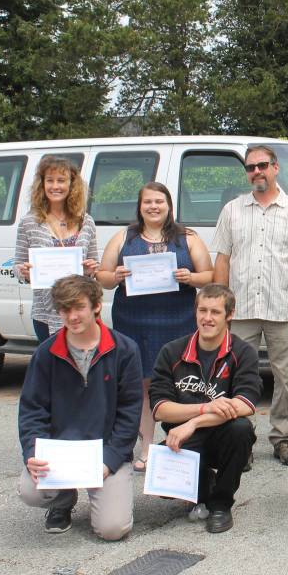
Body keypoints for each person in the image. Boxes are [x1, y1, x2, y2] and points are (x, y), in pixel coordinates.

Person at [97, 182, 214, 472]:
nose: (153, 206)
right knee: (143, 386)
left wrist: (190, 277)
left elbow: (210, 276)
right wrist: (116, 276)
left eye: (159, 201)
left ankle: (188, 446)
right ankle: (147, 448)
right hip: (134, 323)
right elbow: (102, 277)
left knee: (184, 383)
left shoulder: (187, 237)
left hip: (178, 322)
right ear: (139, 207)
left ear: (169, 206)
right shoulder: (124, 237)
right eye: (147, 202)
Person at [212, 145, 288, 467]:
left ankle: (283, 438)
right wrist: (220, 308)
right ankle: (240, 440)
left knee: (286, 378)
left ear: (275, 167)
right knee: (237, 377)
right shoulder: (232, 210)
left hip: (283, 309)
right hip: (241, 309)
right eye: (250, 167)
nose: (256, 171)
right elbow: (223, 260)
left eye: (262, 165)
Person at [16, 275, 142, 539]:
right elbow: (32, 411)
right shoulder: (46, 353)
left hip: (104, 452)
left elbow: (129, 413)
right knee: (29, 491)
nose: (72, 316)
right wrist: (32, 452)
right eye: (65, 309)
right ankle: (63, 500)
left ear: (96, 306)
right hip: (60, 453)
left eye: (79, 307)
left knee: (113, 529)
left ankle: (106, 491)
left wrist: (110, 460)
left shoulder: (125, 350)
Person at [149, 284, 262, 533]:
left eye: (215, 312)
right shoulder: (172, 351)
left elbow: (245, 404)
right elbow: (160, 409)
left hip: (223, 437)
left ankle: (221, 504)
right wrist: (204, 409)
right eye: (202, 310)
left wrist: (193, 422)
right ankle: (203, 483)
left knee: (241, 429)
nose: (207, 318)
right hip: (182, 440)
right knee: (159, 480)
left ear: (229, 315)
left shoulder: (243, 352)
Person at [14, 156, 99, 342]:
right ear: (42, 184)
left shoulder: (86, 222)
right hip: (46, 314)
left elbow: (95, 264)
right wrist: (25, 273)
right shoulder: (29, 222)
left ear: (71, 184)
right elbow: (18, 265)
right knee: (51, 360)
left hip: (81, 313)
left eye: (61, 180)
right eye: (49, 180)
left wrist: (90, 270)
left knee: (82, 359)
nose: (55, 186)